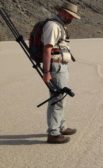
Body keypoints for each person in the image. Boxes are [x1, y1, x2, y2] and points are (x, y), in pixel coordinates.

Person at [42, 1, 80, 144]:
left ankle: (60, 126)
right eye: (70, 16)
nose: (71, 19)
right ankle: (53, 133)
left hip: (61, 67)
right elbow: (47, 49)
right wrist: (46, 72)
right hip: (55, 67)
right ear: (63, 12)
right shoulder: (52, 26)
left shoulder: (59, 25)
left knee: (61, 98)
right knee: (57, 99)